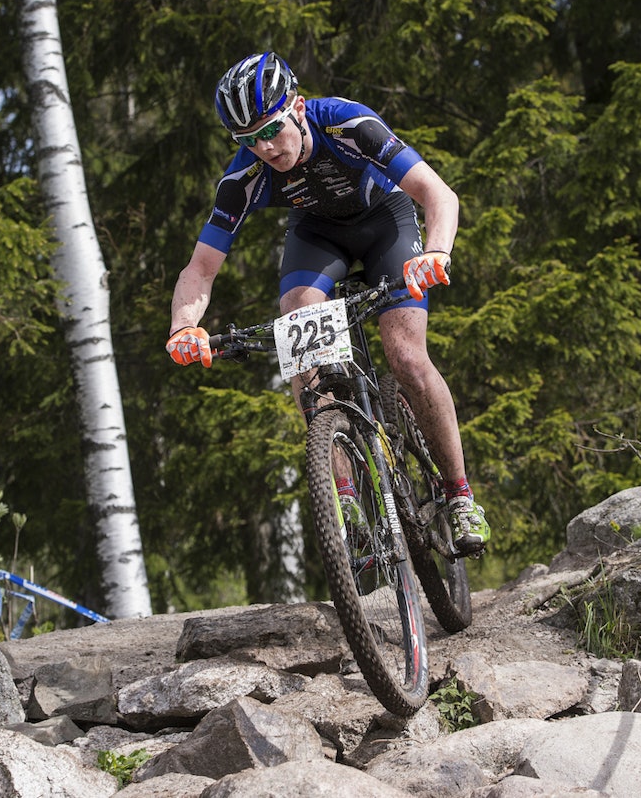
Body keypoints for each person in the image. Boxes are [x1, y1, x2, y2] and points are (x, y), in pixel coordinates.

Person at [165, 51, 490, 554]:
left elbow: (438, 195)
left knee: (405, 356)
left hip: (387, 221)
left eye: (271, 129)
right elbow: (200, 269)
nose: (265, 147)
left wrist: (437, 252)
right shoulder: (243, 177)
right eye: (247, 139)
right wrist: (184, 327)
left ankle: (459, 495)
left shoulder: (347, 123)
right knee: (298, 323)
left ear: (296, 106)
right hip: (318, 237)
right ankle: (346, 500)